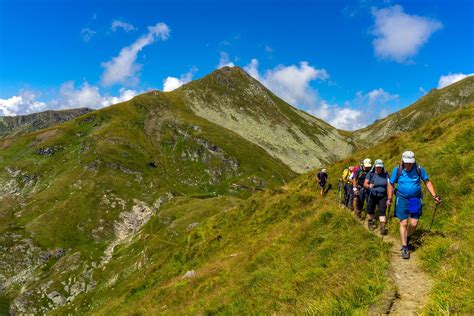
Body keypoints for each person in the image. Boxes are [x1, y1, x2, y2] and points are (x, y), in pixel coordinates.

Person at [387, 151, 442, 259]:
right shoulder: (397, 169)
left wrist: (434, 195)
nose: (408, 164)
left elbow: (427, 182)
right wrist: (389, 197)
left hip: (414, 200)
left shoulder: (418, 169)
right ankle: (404, 247)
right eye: (406, 162)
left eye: (410, 162)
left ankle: (407, 237)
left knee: (414, 223)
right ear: (402, 160)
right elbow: (390, 183)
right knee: (403, 222)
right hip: (402, 199)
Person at [364, 159, 390, 234]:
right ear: (374, 166)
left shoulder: (386, 174)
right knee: (370, 210)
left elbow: (389, 185)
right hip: (371, 195)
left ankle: (382, 227)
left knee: (382, 211)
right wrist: (369, 186)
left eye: (380, 167)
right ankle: (370, 222)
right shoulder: (370, 174)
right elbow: (365, 184)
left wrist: (389, 196)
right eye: (377, 167)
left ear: (382, 167)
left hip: (382, 196)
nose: (378, 168)